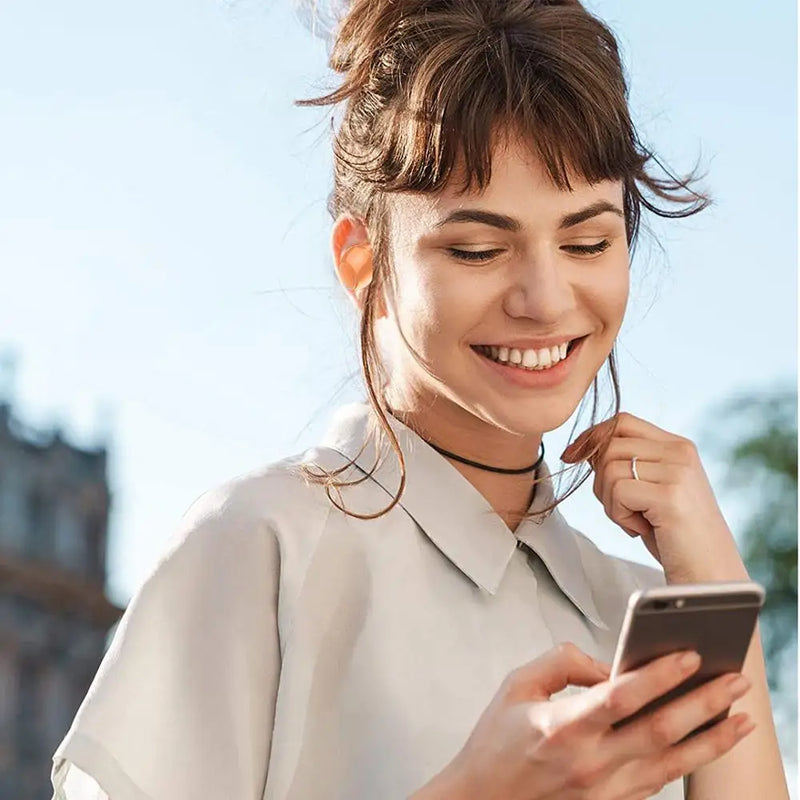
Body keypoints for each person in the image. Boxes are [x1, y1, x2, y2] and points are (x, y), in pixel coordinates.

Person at [50, 1, 789, 798]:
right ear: (361, 258)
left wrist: (714, 577)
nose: (545, 298)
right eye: (478, 248)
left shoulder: (639, 609)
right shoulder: (259, 546)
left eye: (588, 242)